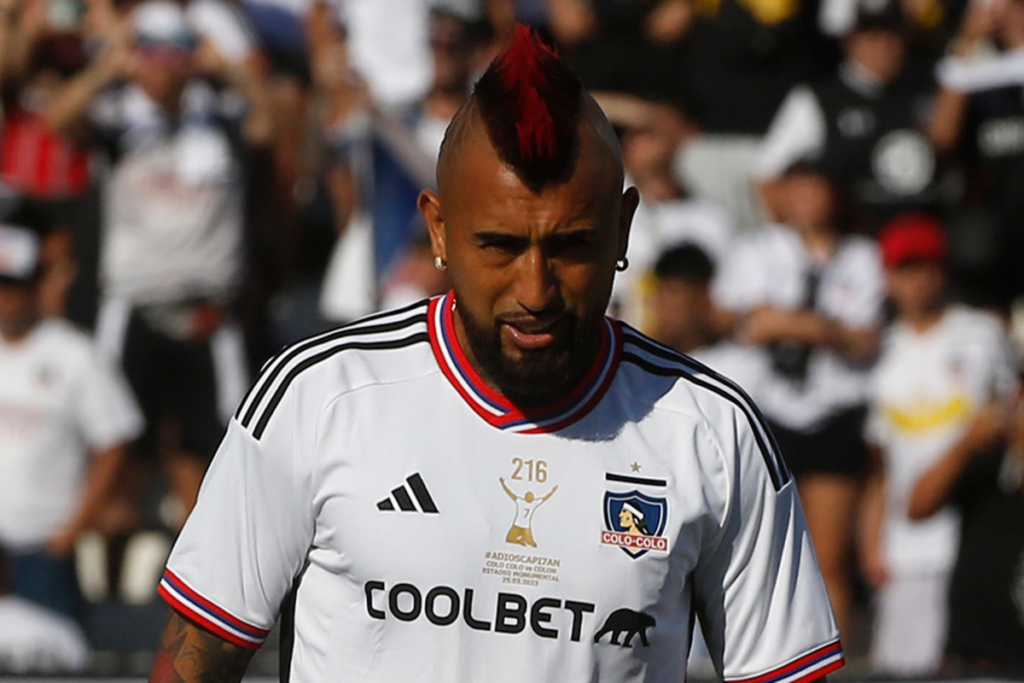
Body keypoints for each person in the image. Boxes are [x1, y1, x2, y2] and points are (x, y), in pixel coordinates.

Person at [149, 28, 844, 683]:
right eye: (501, 246)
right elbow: (196, 659)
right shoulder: (319, 397)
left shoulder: (712, 433)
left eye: (570, 246)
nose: (535, 289)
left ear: (623, 227)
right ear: (439, 228)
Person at [45, 0, 274, 522]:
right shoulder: (117, 118)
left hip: (209, 312)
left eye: (176, 51)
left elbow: (271, 124)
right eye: (151, 51)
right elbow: (59, 119)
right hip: (133, 305)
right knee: (119, 441)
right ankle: (104, 564)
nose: (163, 64)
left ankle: (201, 570)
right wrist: (108, 65)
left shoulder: (219, 114)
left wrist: (231, 70)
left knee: (214, 449)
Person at [713, 160, 885, 639]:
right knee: (759, 555)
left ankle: (836, 658)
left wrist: (795, 325)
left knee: (829, 559)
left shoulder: (862, 256)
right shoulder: (756, 250)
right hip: (772, 415)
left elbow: (864, 338)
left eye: (819, 189)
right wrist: (823, 330)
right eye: (800, 189)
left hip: (833, 415)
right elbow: (732, 319)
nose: (810, 200)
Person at [858, 213, 1018, 675]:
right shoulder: (883, 352)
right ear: (888, 275)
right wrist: (871, 542)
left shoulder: (980, 334)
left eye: (928, 266)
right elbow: (880, 463)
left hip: (974, 531)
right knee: (903, 668)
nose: (919, 280)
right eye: (906, 268)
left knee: (974, 664)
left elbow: (1008, 422)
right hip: (906, 543)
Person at [0, 221, 142, 622]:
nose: (7, 297)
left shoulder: (75, 354)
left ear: (37, 284)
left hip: (43, 550)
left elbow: (115, 440)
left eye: (16, 284)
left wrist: (74, 528)